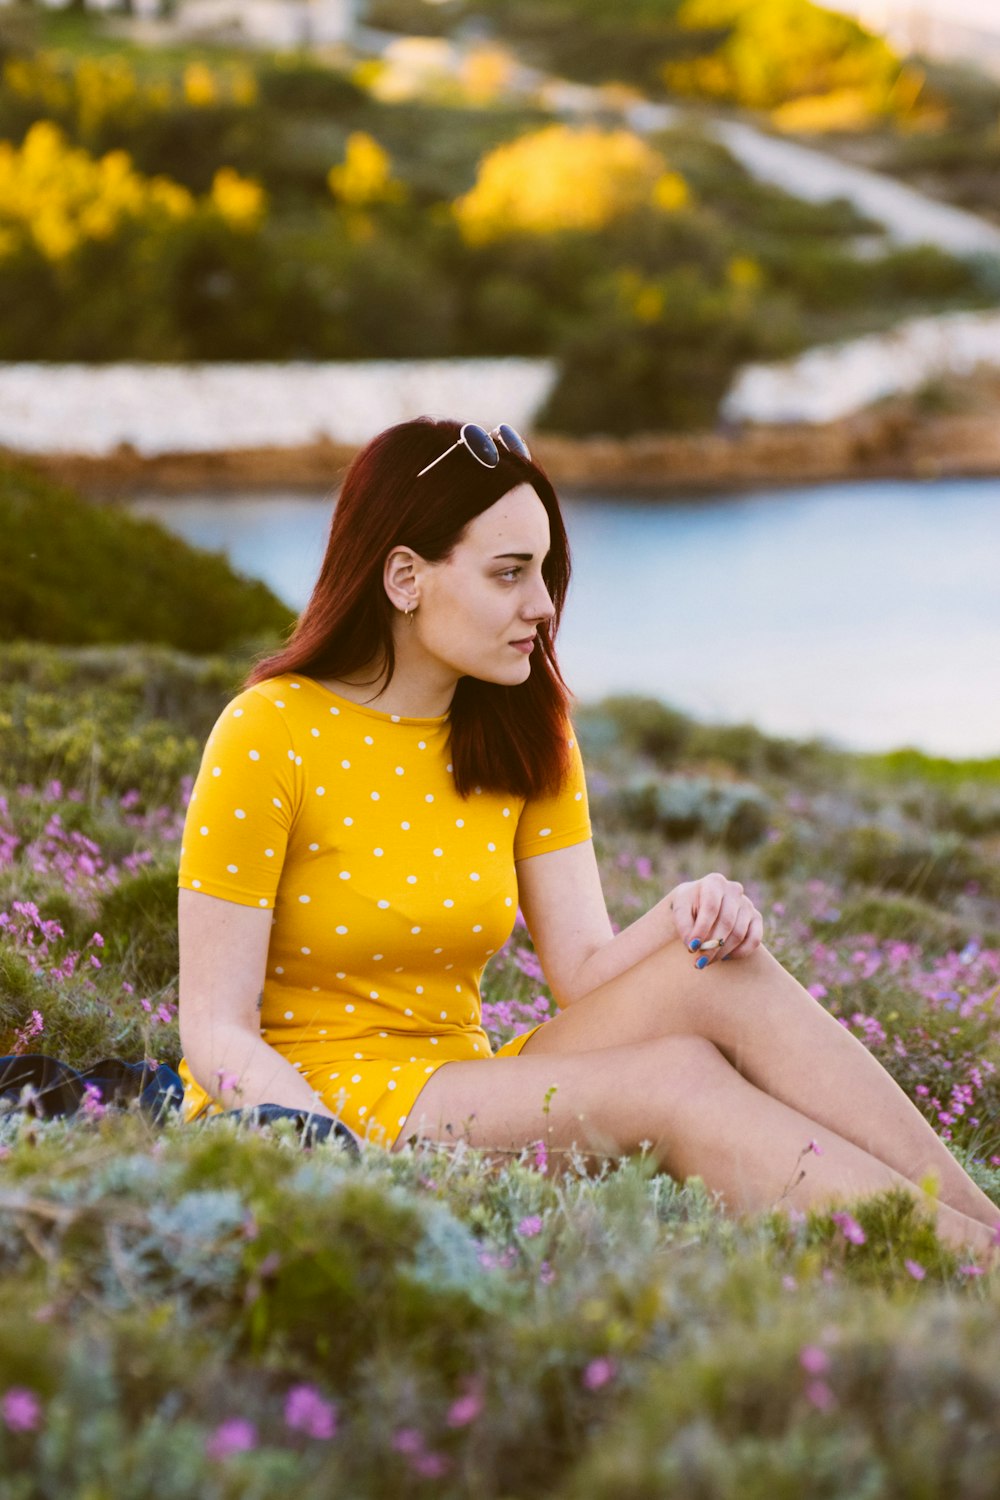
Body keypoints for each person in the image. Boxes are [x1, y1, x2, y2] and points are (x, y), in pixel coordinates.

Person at [176, 416, 999, 1259]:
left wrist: (684, 913)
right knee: (673, 1081)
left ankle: (986, 1233)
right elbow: (213, 1028)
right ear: (404, 578)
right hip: (325, 1104)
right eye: (509, 575)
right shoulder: (269, 732)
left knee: (715, 967)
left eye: (545, 572)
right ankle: (966, 1269)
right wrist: (326, 1155)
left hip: (464, 1079)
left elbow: (585, 975)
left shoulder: (525, 728)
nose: (542, 605)